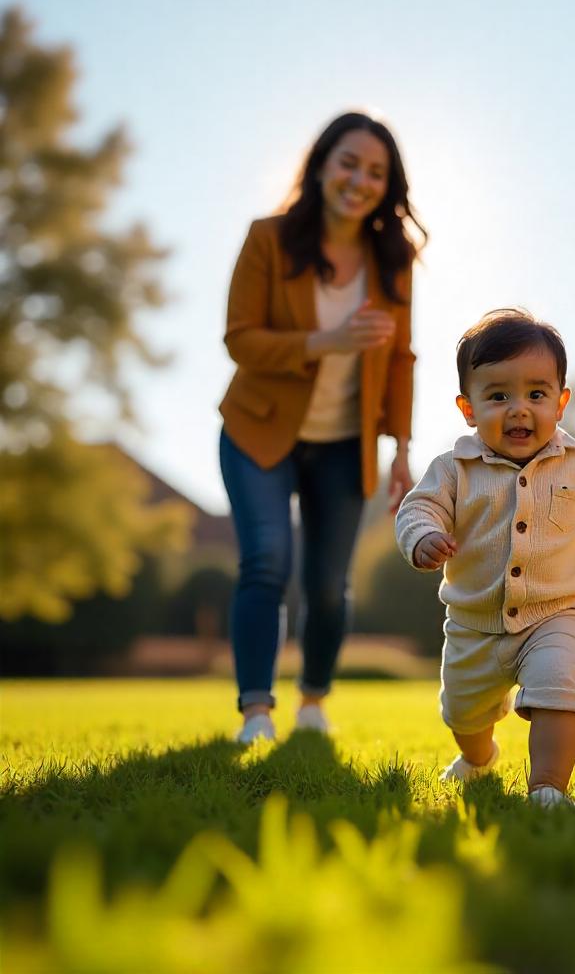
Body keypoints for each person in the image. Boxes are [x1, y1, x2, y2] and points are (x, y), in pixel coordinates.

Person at [395, 309, 575, 805]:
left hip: (557, 613)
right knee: (464, 713)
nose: (519, 409)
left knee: (557, 693)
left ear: (561, 401)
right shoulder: (453, 468)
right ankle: (477, 756)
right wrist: (422, 536)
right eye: (498, 396)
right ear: (468, 409)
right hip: (474, 623)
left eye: (536, 394)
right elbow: (417, 508)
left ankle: (548, 787)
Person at [219, 111, 425, 744]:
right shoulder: (269, 239)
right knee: (266, 562)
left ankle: (313, 700)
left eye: (375, 172)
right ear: (320, 165)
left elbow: (400, 358)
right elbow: (241, 340)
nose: (359, 180)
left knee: (329, 587)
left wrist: (400, 451)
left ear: (387, 187)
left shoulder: (392, 260)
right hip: (259, 433)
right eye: (348, 163)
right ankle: (256, 711)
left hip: (345, 445)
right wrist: (327, 340)